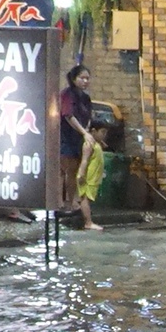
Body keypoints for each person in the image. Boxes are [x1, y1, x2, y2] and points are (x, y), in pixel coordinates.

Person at [60, 65, 102, 231]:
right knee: (68, 171)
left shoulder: (85, 98)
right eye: (82, 78)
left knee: (77, 171)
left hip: (80, 138)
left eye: (87, 78)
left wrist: (87, 133)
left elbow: (88, 118)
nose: (85, 81)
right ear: (73, 79)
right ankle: (67, 203)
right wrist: (84, 132)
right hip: (66, 137)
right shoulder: (66, 95)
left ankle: (75, 202)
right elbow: (68, 116)